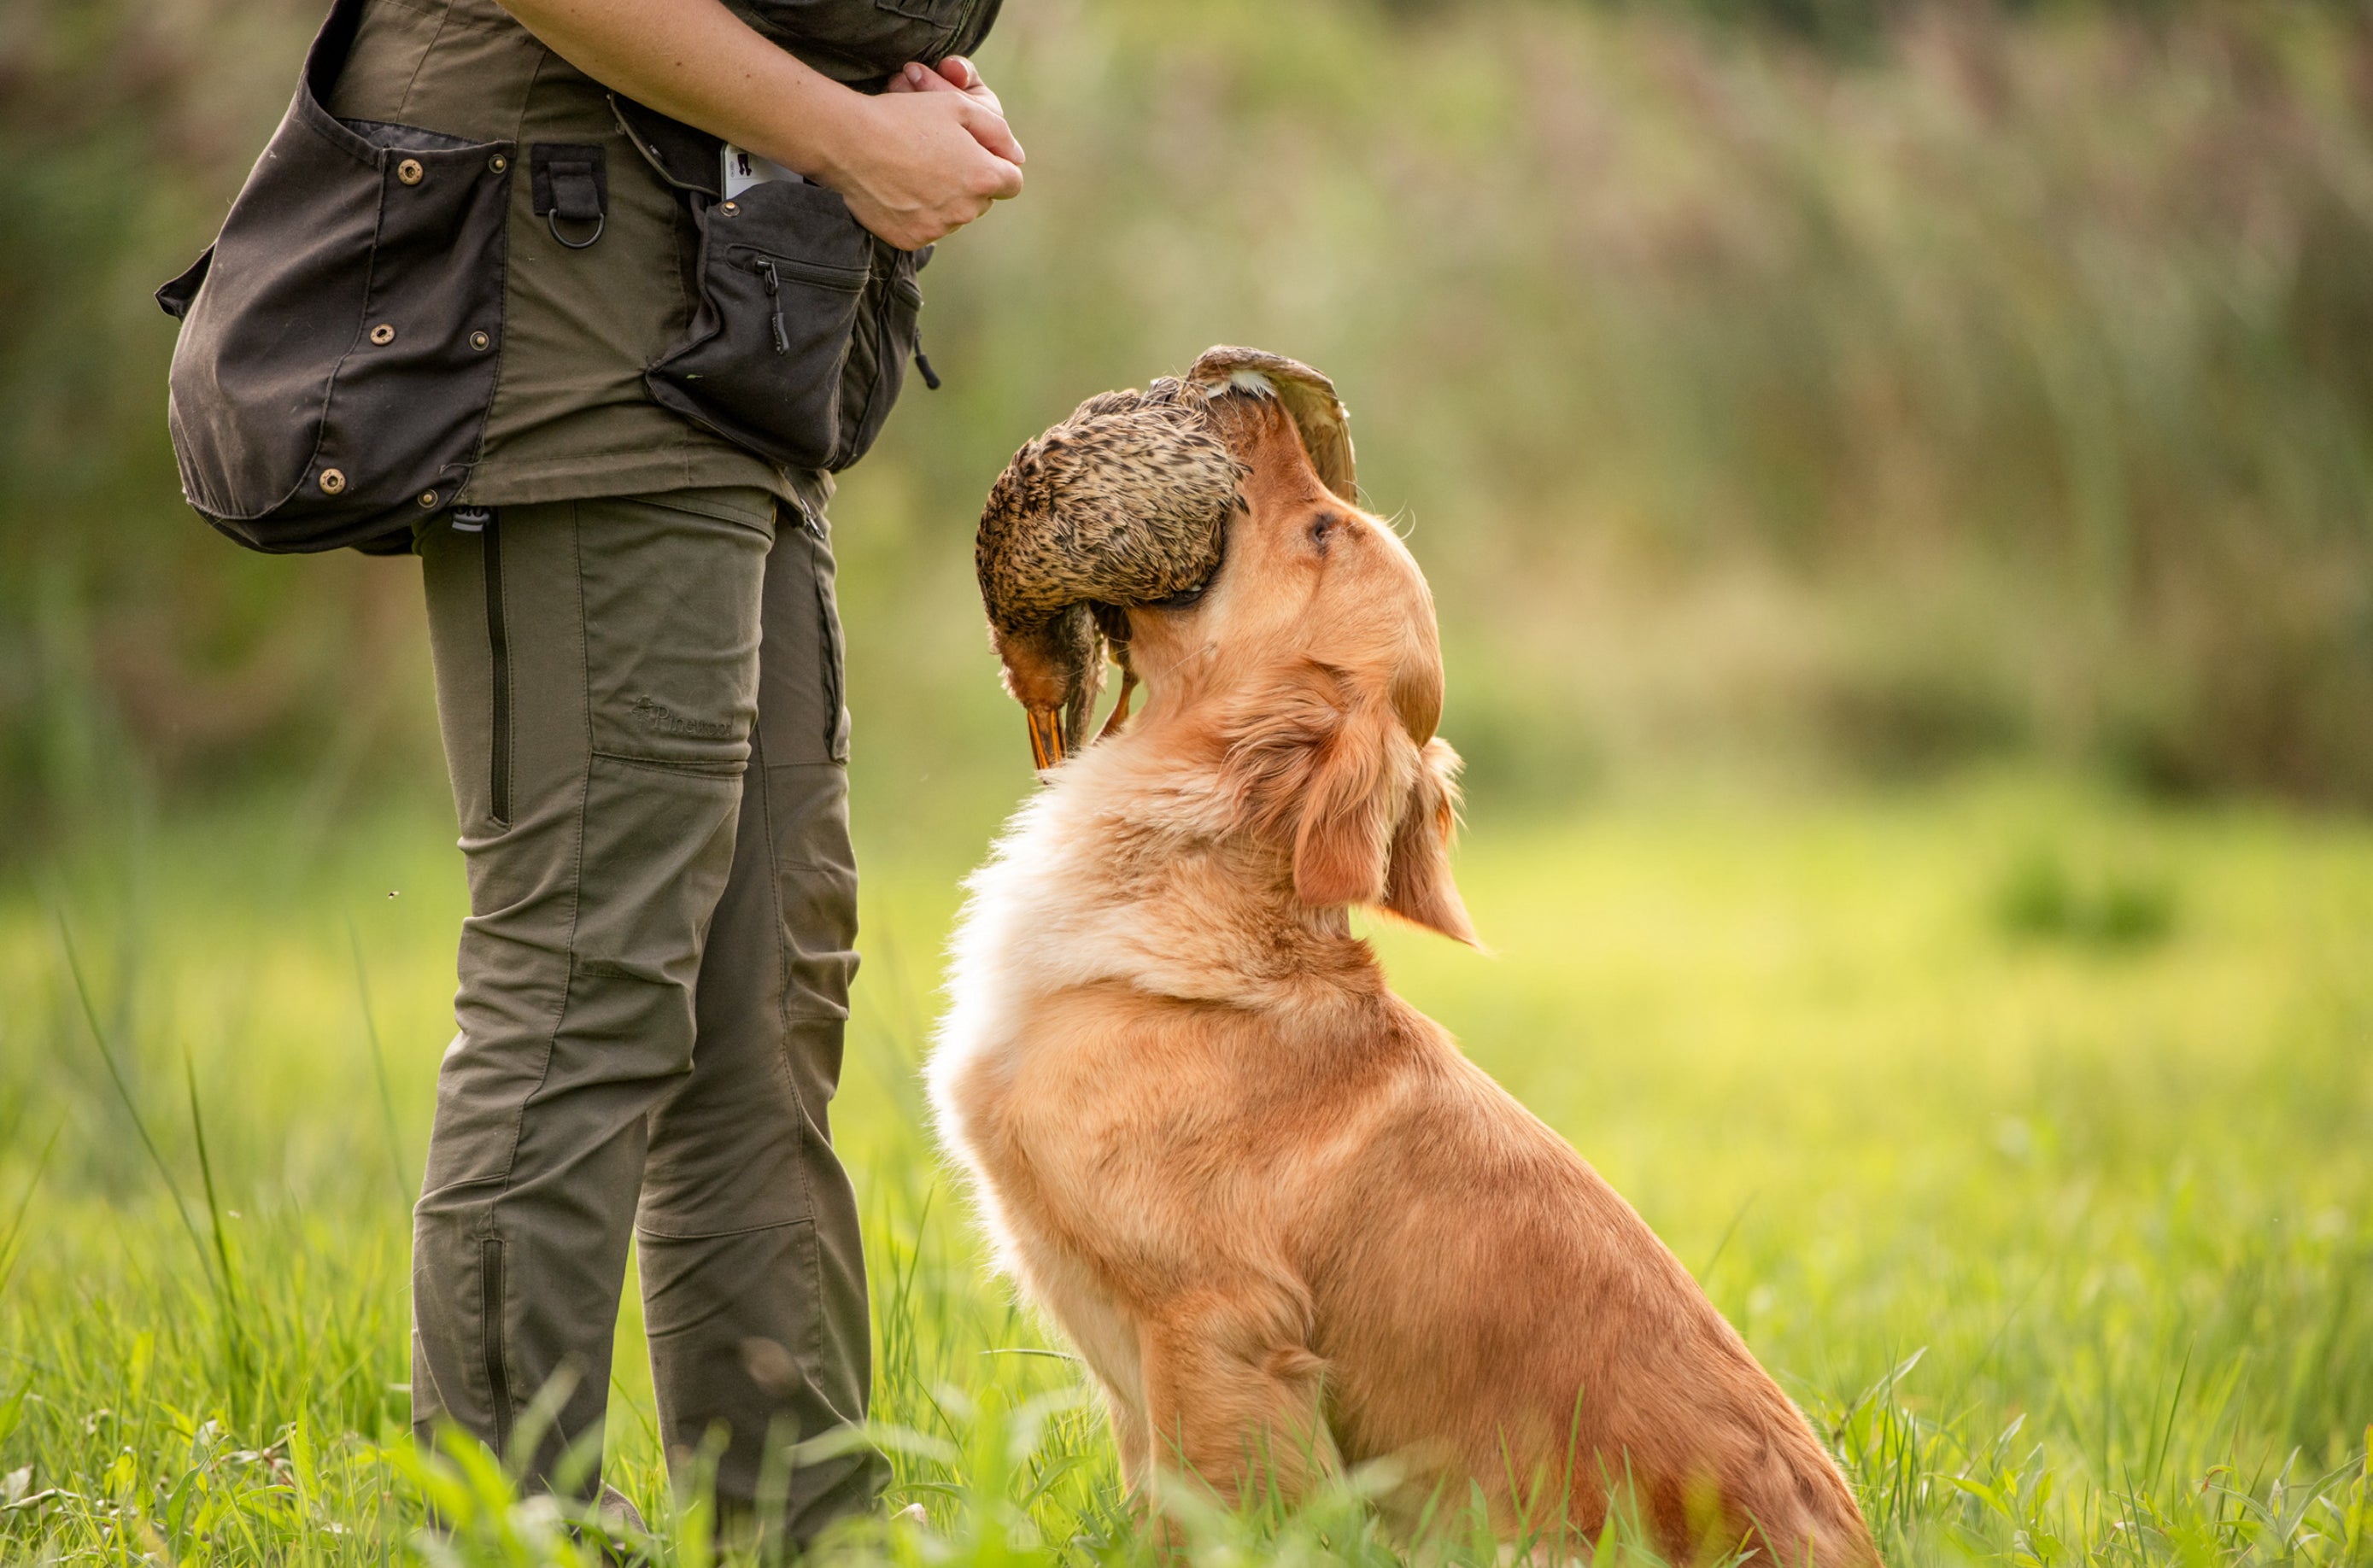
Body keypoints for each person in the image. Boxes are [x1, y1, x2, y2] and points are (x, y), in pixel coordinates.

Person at [316, 0, 1023, 1543]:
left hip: (728, 313)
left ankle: (795, 1528)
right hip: (574, 308)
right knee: (588, 975)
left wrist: (873, 110)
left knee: (761, 1003)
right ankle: (513, 1533)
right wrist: (842, 135)